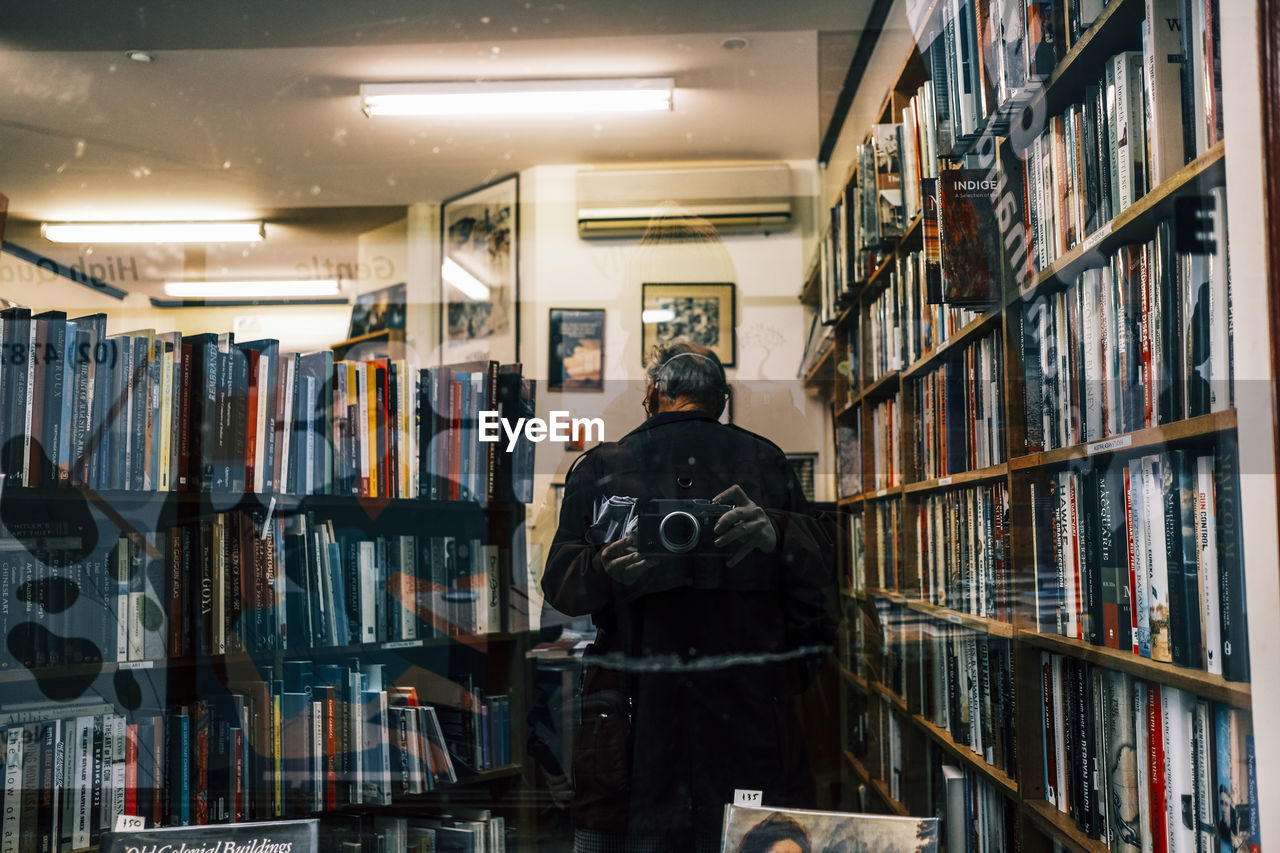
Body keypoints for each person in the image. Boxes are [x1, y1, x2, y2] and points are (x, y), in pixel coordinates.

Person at [543, 340, 838, 853]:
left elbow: (561, 587)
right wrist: (776, 535)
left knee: (644, 834)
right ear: (723, 401)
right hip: (746, 706)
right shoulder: (763, 460)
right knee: (748, 837)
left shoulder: (602, 467)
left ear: (652, 393)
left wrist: (602, 568)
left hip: (637, 712)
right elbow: (820, 594)